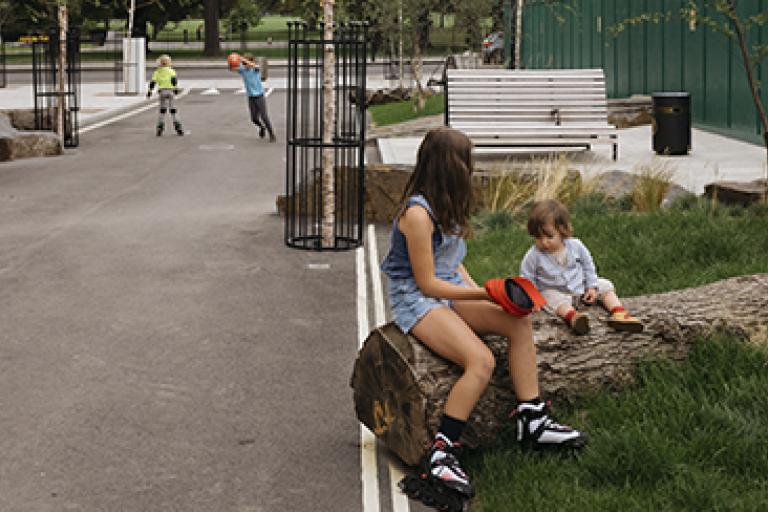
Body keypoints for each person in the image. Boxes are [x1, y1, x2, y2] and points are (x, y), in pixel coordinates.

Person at [381, 128, 587, 508]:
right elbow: (426, 282)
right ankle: (441, 452)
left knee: (518, 323)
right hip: (417, 300)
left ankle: (532, 419)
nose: (470, 169)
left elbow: (453, 268)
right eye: (465, 161)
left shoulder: (445, 207)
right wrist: (486, 292)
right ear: (450, 166)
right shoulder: (417, 215)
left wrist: (496, 298)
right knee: (480, 360)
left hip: (446, 291)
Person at [520, 199, 643, 335]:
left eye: (549, 236)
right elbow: (527, 279)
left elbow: (588, 265)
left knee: (605, 285)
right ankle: (573, 317)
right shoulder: (533, 256)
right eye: (538, 237)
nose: (544, 242)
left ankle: (619, 312)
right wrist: (532, 299)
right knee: (550, 297)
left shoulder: (575, 246)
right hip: (557, 291)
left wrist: (591, 286)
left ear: (562, 230)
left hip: (581, 287)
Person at [231, 53, 276, 142]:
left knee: (264, 116)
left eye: (246, 63)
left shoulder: (255, 69)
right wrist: (234, 60)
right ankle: (262, 127)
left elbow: (255, 66)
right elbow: (232, 68)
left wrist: (243, 59)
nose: (245, 65)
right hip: (251, 97)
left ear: (250, 62)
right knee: (254, 118)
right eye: (244, 64)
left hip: (259, 96)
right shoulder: (243, 70)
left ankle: (272, 134)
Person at [147, 54, 183, 136]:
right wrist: (175, 89)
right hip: (170, 91)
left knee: (162, 110)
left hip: (162, 91)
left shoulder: (157, 72)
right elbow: (174, 81)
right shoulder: (172, 71)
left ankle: (160, 127)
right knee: (173, 109)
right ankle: (178, 126)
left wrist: (149, 91)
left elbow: (153, 83)